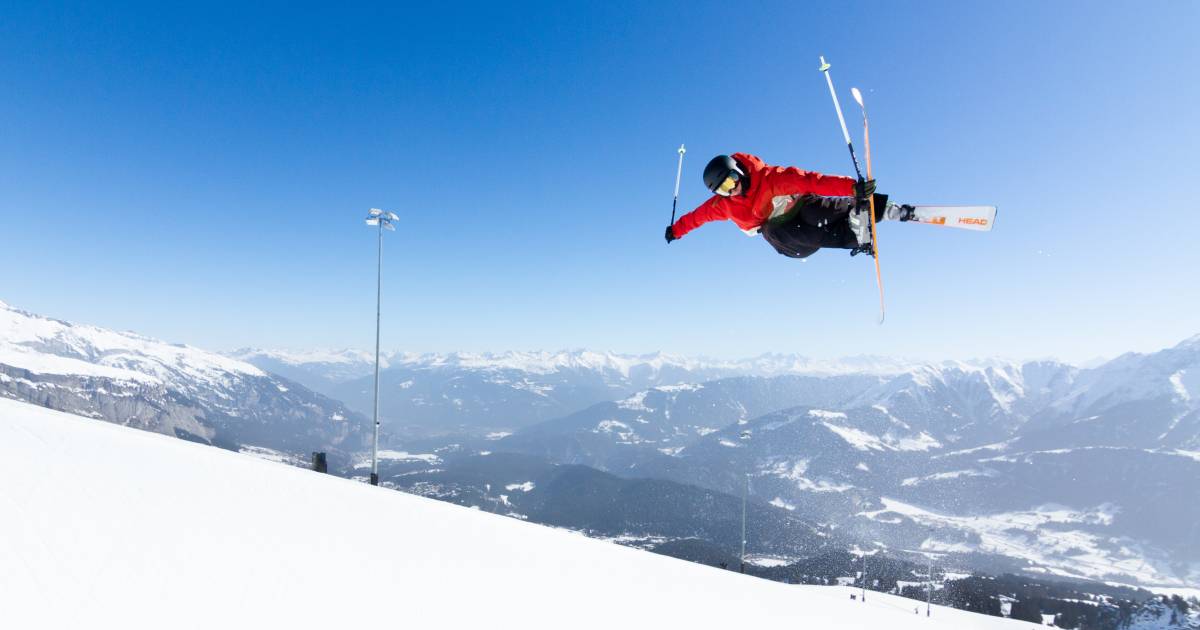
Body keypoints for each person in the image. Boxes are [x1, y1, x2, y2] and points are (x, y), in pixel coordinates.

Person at [664, 153, 912, 258]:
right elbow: (697, 217)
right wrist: (676, 230)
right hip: (788, 239)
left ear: (738, 171)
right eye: (723, 189)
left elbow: (812, 181)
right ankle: (857, 232)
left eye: (731, 180)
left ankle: (876, 209)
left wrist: (852, 188)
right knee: (784, 231)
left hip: (802, 207)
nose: (732, 189)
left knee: (815, 209)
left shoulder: (771, 179)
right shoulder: (724, 205)